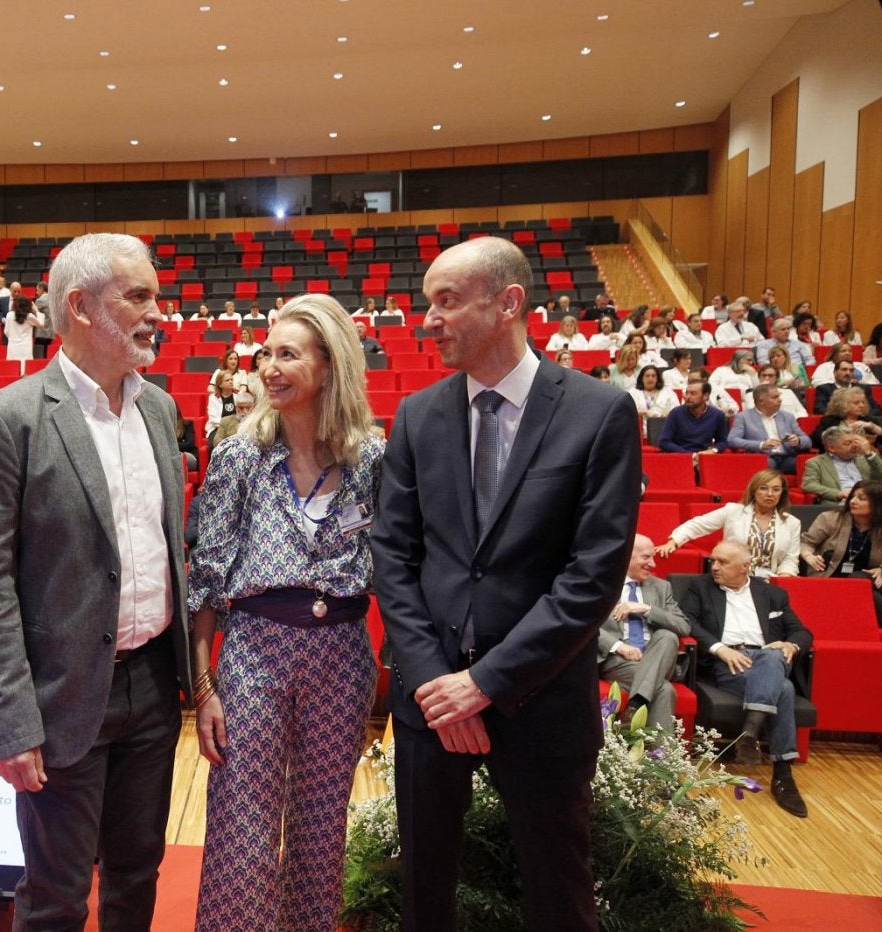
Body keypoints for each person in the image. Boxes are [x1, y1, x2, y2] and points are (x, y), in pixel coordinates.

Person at [371, 236, 641, 932]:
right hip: (431, 703)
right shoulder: (417, 416)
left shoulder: (597, 413)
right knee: (424, 894)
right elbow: (393, 557)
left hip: (540, 699)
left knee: (558, 893)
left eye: (447, 302)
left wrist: (485, 681)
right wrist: (440, 684)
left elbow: (592, 576)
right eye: (428, 303)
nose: (429, 319)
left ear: (508, 303)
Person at [0, 232, 191, 929]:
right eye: (139, 295)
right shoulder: (5, 420)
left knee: (136, 873)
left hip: (151, 683)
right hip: (60, 696)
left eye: (155, 293)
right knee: (56, 894)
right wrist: (7, 719)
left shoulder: (159, 408)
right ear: (81, 306)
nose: (158, 311)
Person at [188, 293, 381, 929]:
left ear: (329, 366)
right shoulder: (238, 458)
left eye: (287, 354)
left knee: (322, 825)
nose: (268, 366)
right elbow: (208, 581)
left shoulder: (371, 461)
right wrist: (204, 687)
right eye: (265, 353)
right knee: (241, 823)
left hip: (342, 654)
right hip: (253, 653)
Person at [678, 541, 812, 817]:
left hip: (766, 658)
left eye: (723, 562)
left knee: (773, 656)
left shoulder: (772, 594)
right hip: (728, 664)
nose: (714, 567)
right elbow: (687, 622)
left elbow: (801, 631)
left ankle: (750, 733)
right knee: (784, 689)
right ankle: (782, 775)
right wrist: (719, 648)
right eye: (713, 560)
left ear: (745, 566)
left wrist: (792, 646)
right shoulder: (700, 588)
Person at [599, 535, 690, 731]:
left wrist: (647, 609)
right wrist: (619, 646)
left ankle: (634, 707)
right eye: (646, 557)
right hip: (619, 661)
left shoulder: (661, 587)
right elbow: (586, 625)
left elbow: (684, 627)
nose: (653, 563)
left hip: (659, 658)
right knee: (664, 690)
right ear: (626, 557)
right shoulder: (603, 584)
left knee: (668, 636)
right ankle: (661, 757)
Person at [657, 469, 803, 576]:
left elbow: (790, 559)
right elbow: (697, 525)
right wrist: (673, 542)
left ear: (782, 493)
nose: (770, 494)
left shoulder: (792, 523)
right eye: (763, 488)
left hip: (770, 581)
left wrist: (784, 578)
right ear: (754, 491)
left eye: (776, 489)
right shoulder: (733, 511)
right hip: (733, 577)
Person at [801, 480, 882, 626]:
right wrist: (808, 555)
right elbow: (806, 542)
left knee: (860, 579)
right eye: (853, 497)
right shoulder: (830, 519)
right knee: (868, 594)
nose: (853, 501)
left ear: (878, 503)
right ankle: (875, 635)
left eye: (861, 498)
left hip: (870, 578)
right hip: (830, 577)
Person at [727, 384, 812, 474]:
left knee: (810, 464)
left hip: (787, 457)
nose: (780, 400)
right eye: (775, 397)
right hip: (763, 457)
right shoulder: (743, 417)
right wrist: (761, 445)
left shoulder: (788, 417)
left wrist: (798, 441)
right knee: (766, 464)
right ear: (761, 401)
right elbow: (732, 440)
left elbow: (807, 441)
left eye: (779, 396)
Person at [801, 426, 882, 503]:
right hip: (839, 504)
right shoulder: (816, 462)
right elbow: (808, 485)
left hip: (870, 503)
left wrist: (869, 454)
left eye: (855, 442)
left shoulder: (865, 459)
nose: (854, 446)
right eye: (848, 443)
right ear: (831, 448)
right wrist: (838, 494)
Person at [657, 380, 728, 455]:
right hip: (680, 455)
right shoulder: (675, 413)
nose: (688, 397)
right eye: (686, 393)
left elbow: (722, 441)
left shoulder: (717, 415)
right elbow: (664, 441)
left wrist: (713, 450)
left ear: (705, 396)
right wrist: (691, 455)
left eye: (693, 394)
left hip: (703, 456)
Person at [810, 386, 882, 451]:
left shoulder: (868, 420)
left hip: (865, 459)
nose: (861, 405)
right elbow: (815, 439)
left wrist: (873, 427)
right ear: (842, 404)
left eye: (863, 402)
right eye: (856, 403)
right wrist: (833, 432)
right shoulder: (830, 420)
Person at [810, 343, 878, 391]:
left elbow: (874, 383)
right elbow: (817, 383)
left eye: (849, 351)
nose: (847, 353)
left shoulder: (862, 366)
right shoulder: (824, 367)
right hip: (836, 394)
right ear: (834, 354)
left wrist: (859, 385)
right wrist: (844, 384)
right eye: (843, 351)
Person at [207, 390, 255, 455]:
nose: (245, 411)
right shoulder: (226, 421)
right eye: (241, 408)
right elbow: (217, 441)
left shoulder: (258, 422)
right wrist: (233, 447)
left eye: (248, 408)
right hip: (230, 455)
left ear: (253, 407)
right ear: (236, 407)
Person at [4, 294, 45, 363]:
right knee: (25, 367)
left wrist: (13, 338)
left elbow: (6, 332)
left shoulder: (9, 315)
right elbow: (41, 324)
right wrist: (37, 310)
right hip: (26, 346)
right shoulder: (29, 316)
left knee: (12, 366)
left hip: (12, 345)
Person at [204, 370, 238, 440]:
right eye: (227, 380)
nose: (231, 382)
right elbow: (213, 419)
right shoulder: (213, 398)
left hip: (235, 429)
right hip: (217, 429)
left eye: (231, 379)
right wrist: (228, 426)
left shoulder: (237, 397)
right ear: (220, 384)